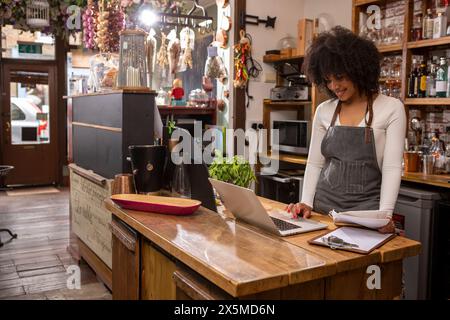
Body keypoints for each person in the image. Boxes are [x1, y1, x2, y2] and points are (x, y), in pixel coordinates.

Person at [286, 27, 406, 234]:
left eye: (340, 77)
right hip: (323, 215)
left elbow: (392, 168)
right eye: (328, 80)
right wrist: (306, 202)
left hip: (367, 217)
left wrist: (385, 214)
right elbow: (315, 163)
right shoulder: (324, 111)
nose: (334, 86)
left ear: (358, 70)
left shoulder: (391, 108)